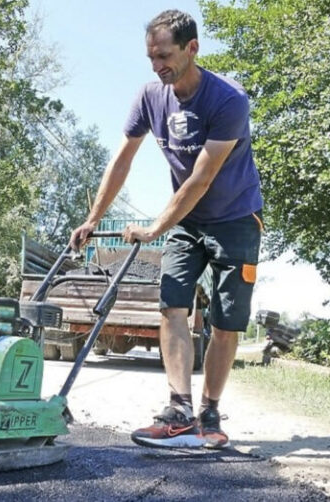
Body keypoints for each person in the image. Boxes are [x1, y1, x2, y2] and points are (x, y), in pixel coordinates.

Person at [69, 9, 263, 449]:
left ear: (192, 48)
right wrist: (94, 218)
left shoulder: (228, 100)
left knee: (225, 320)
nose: (157, 66)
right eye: (150, 57)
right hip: (186, 221)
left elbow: (201, 178)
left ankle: (210, 412)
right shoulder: (149, 97)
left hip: (235, 218)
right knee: (172, 305)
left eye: (164, 55)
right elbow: (123, 159)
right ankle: (178, 410)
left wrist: (155, 226)